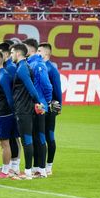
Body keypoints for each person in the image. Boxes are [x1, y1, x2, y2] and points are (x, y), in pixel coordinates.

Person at [10, 43, 48, 180]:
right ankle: (36, 170)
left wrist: (38, 103)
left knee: (27, 140)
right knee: (30, 139)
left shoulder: (22, 69)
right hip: (27, 107)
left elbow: (31, 88)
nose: (11, 55)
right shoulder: (24, 66)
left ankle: (27, 173)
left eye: (12, 53)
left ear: (18, 53)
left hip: (24, 109)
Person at [23, 38, 52, 178]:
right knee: (34, 136)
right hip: (31, 105)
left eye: (25, 48)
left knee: (40, 136)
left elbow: (47, 85)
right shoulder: (30, 63)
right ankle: (36, 167)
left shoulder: (38, 64)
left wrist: (45, 102)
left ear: (30, 49)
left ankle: (42, 169)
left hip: (39, 106)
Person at [0, 40, 20, 174]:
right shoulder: (6, 67)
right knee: (11, 137)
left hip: (10, 108)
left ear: (6, 54)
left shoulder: (10, 68)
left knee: (13, 137)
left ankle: (15, 165)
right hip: (8, 107)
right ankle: (11, 163)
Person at [37, 42, 62, 175]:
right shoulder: (38, 66)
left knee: (49, 136)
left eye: (39, 51)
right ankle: (39, 166)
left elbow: (57, 89)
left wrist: (59, 106)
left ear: (46, 53)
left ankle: (49, 165)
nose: (37, 53)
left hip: (51, 106)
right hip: (40, 106)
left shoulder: (52, 69)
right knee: (40, 135)